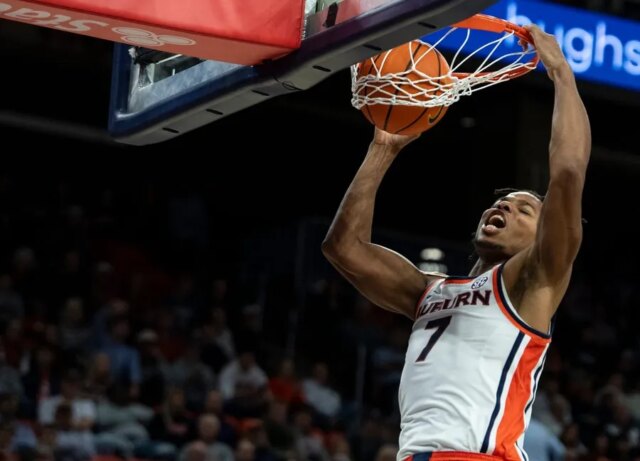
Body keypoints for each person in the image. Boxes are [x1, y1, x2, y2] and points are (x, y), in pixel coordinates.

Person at [321, 25, 590, 461]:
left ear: (543, 234)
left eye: (524, 209)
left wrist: (561, 73)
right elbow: (343, 248)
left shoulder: (533, 279)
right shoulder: (429, 291)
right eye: (501, 203)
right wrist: (384, 147)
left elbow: (568, 173)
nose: (503, 207)